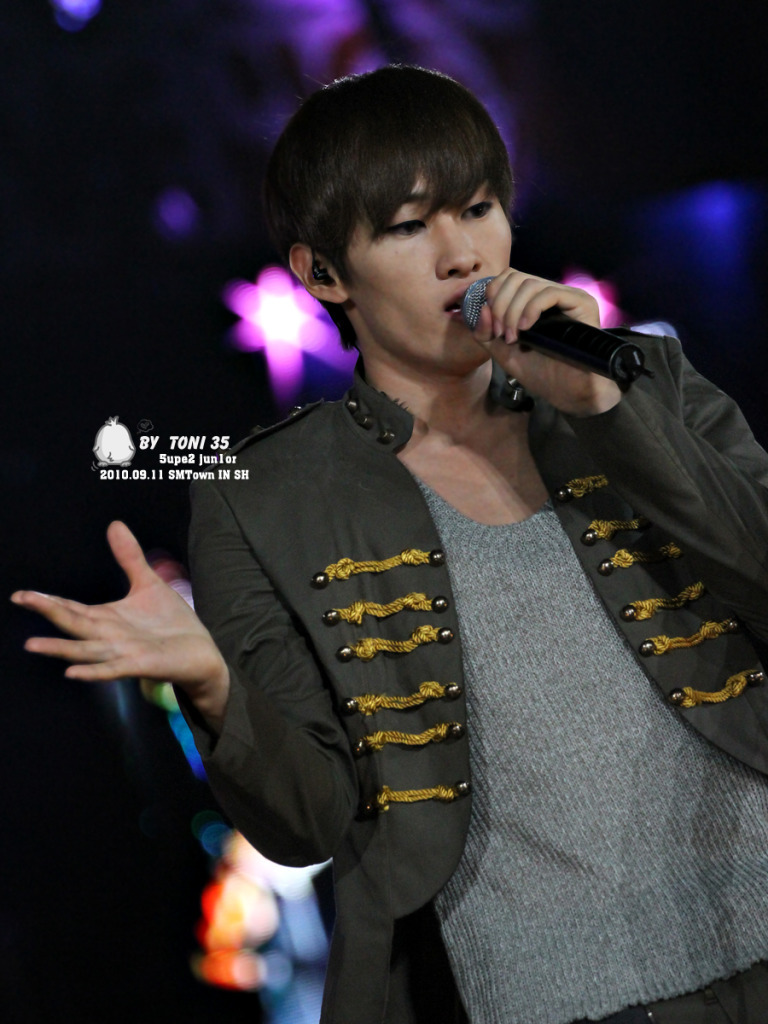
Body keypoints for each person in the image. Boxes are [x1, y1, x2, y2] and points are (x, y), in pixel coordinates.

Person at [12, 65, 768, 1024]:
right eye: (409, 227)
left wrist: (611, 412)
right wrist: (213, 686)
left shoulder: (641, 382)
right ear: (324, 273)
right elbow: (305, 823)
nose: (462, 255)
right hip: (552, 995)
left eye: (479, 208)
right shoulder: (267, 497)